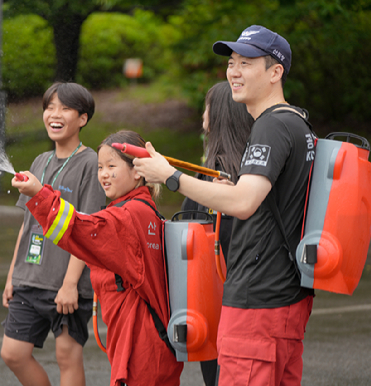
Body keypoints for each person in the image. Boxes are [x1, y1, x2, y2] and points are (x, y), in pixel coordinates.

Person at [133, 25, 315, 385]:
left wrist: (170, 175)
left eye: (246, 63)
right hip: (289, 297)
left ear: (275, 72)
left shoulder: (270, 126)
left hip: (256, 301)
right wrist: (229, 189)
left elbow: (244, 203)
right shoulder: (299, 124)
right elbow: (266, 200)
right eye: (232, 62)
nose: (234, 72)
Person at [12, 130, 184, 386]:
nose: (103, 174)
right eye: (100, 167)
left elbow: (80, 229)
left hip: (140, 345)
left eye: (111, 166)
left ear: (138, 171)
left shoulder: (127, 217)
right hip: (153, 342)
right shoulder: (144, 211)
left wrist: (39, 194)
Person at [1, 82, 106, 386]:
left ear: (82, 119)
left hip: (66, 283)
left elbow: (87, 229)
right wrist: (12, 276)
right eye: (49, 107)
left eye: (65, 108)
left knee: (66, 355)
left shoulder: (91, 164)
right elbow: (27, 224)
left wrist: (70, 284)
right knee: (13, 353)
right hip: (28, 278)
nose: (54, 114)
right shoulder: (40, 162)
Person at [180, 81, 253, 386]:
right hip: (241, 294)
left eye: (207, 107)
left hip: (219, 297)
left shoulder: (220, 174)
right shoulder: (249, 168)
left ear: (220, 114)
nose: (202, 115)